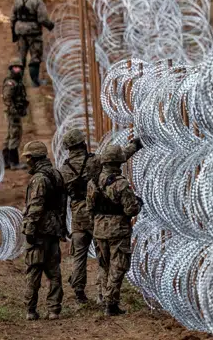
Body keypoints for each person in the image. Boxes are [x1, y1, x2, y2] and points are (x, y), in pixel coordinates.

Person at [85, 138, 143, 316]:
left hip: (99, 228)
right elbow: (131, 209)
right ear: (119, 162)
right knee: (119, 266)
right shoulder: (121, 184)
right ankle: (111, 303)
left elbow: (89, 208)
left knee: (104, 264)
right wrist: (139, 203)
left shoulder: (93, 182)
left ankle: (103, 296)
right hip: (118, 230)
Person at [21, 141, 66, 320]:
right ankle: (54, 309)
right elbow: (62, 204)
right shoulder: (56, 174)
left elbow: (36, 206)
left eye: (28, 158)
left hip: (40, 231)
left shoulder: (39, 179)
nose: (27, 162)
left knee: (34, 270)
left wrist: (30, 229)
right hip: (53, 229)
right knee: (54, 272)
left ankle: (30, 310)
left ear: (34, 158)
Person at [57, 127, 93, 305]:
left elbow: (61, 200)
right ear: (82, 144)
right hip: (96, 213)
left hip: (78, 216)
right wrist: (137, 144)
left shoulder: (64, 170)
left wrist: (62, 225)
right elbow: (118, 158)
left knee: (79, 255)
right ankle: (105, 292)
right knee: (103, 253)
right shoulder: (95, 162)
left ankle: (79, 292)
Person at [10, 0, 54, 87]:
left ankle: (17, 81)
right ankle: (35, 81)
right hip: (33, 32)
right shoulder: (38, 2)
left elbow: (12, 17)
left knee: (21, 56)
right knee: (35, 56)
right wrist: (51, 26)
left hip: (20, 30)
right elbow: (42, 19)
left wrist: (14, 32)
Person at [2, 60, 29, 170]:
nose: (17, 70)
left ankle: (7, 161)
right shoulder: (11, 83)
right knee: (15, 135)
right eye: (15, 67)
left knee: (10, 135)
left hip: (14, 112)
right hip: (13, 114)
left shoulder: (17, 82)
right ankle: (14, 162)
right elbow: (7, 98)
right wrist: (15, 110)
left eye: (19, 67)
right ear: (11, 69)